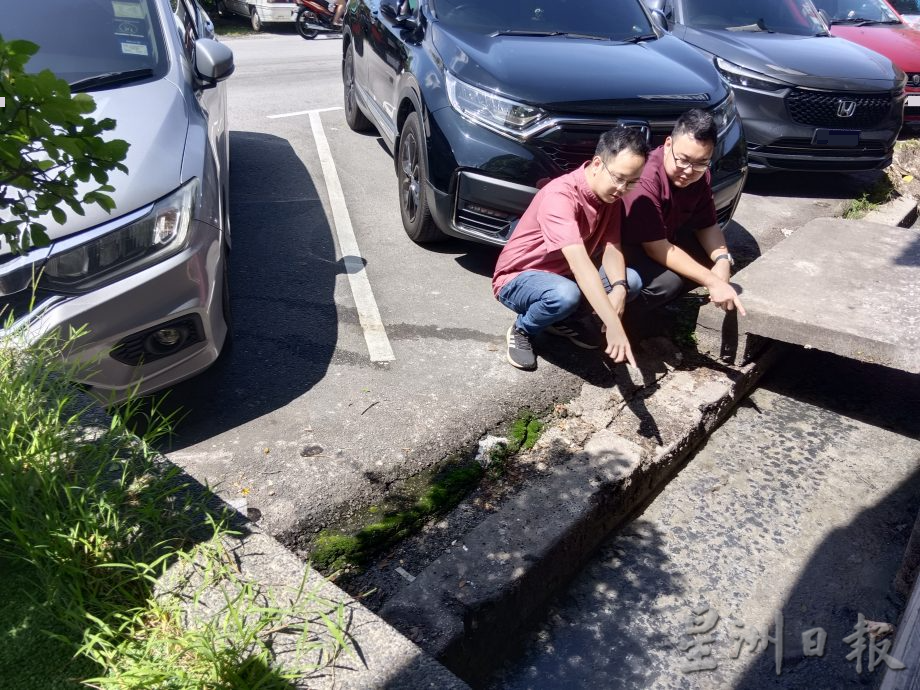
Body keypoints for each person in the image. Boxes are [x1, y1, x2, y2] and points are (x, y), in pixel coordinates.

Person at [492, 126, 650, 371]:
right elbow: (580, 264)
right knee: (565, 295)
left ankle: (561, 318)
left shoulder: (610, 198)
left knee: (631, 280)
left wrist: (619, 289)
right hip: (519, 279)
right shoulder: (561, 195)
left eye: (632, 183)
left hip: (564, 277)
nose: (622, 189)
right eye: (619, 178)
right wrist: (614, 325)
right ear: (597, 164)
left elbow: (611, 247)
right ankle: (523, 329)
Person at [620, 109, 745, 321]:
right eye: (683, 160)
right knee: (669, 283)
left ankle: (655, 309)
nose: (689, 171)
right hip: (625, 248)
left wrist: (723, 260)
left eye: (701, 162)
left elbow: (707, 225)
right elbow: (656, 248)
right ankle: (602, 319)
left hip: (663, 242)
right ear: (668, 144)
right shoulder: (645, 179)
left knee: (710, 260)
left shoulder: (699, 175)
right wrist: (713, 281)